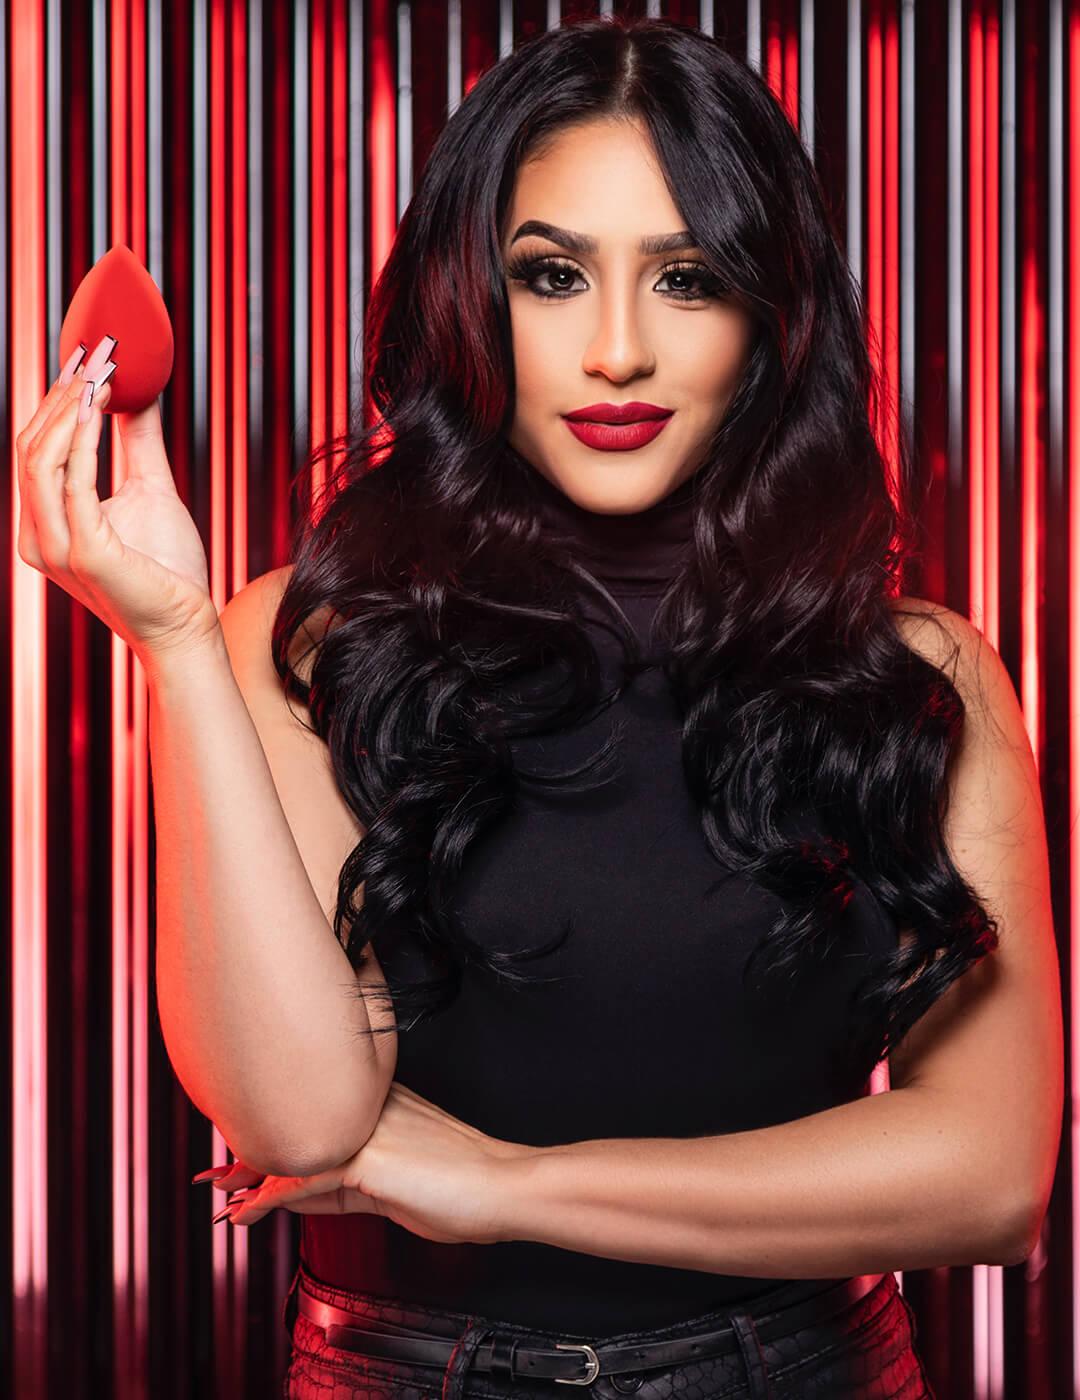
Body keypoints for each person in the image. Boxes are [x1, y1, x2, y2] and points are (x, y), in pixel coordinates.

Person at [16, 14, 1061, 1400]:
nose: (616, 350)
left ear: (770, 311)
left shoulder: (916, 680)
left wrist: (505, 1186)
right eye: (553, 274)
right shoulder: (304, 643)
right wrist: (177, 643)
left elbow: (988, 1180)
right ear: (468, 295)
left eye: (686, 277)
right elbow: (301, 1117)